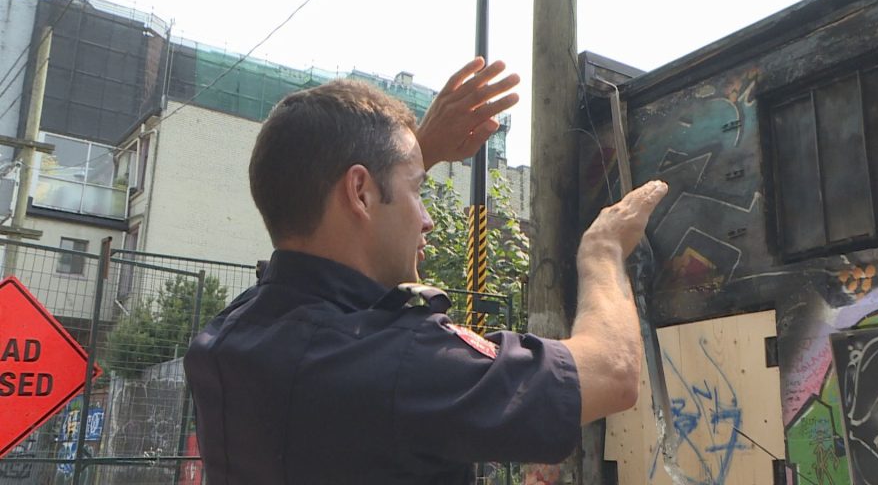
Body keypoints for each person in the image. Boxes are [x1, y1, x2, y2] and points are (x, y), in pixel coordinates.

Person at [183, 57, 668, 484]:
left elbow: (329, 209)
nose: (427, 217)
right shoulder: (398, 365)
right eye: (417, 190)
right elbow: (612, 372)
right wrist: (602, 251)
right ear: (360, 192)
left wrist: (410, 153)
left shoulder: (224, 339)